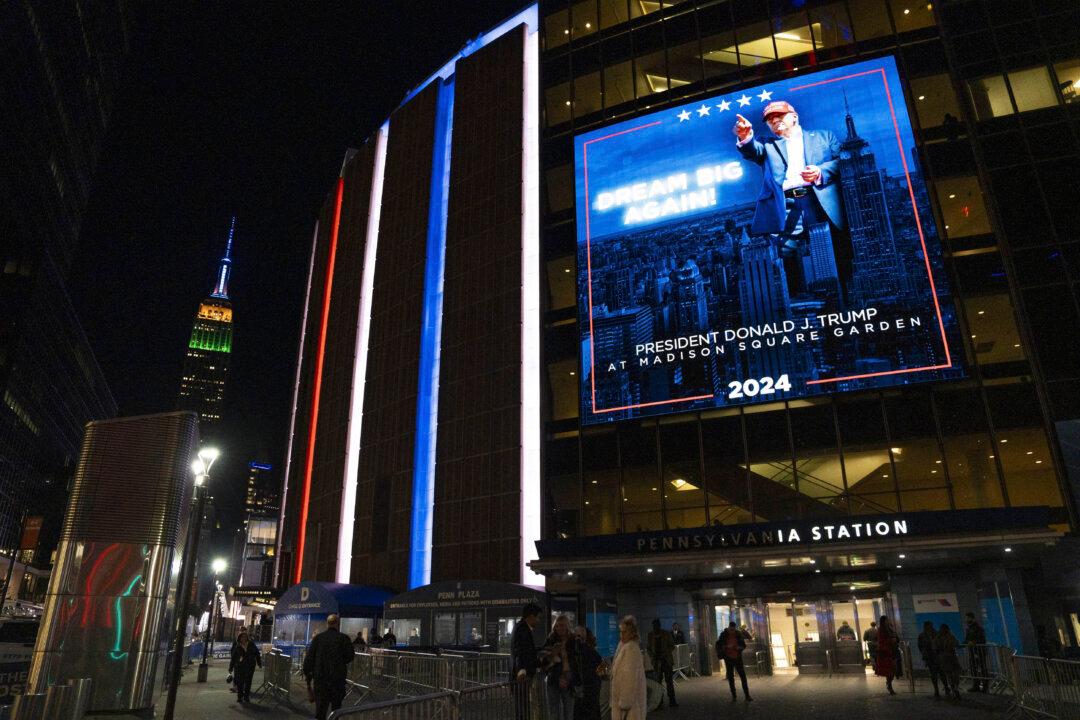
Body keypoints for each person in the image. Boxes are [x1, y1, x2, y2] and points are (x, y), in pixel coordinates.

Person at [732, 100, 851, 294]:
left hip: (820, 202)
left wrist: (821, 171)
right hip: (787, 206)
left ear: (794, 116)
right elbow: (752, 150)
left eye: (779, 115)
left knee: (836, 252)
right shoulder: (767, 145)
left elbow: (844, 161)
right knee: (787, 259)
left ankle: (846, 298)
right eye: (770, 119)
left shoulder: (824, 136)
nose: (775, 120)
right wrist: (745, 137)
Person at [302, 614, 356, 720]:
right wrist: (340, 662)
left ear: (327, 624)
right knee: (336, 711)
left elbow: (308, 661)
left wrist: (308, 682)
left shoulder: (318, 639)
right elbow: (350, 656)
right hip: (337, 680)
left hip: (321, 681)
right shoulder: (344, 638)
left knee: (320, 711)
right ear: (338, 624)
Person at [542, 615, 580, 720]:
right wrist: (551, 655)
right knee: (553, 712)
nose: (560, 628)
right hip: (553, 679)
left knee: (568, 711)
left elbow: (577, 660)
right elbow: (543, 660)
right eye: (557, 626)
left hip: (568, 679)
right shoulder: (551, 639)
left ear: (567, 626)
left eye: (562, 625)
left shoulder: (573, 641)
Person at [610, 616, 647, 720]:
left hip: (629, 707)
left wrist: (625, 703)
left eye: (624, 632)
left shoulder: (630, 649)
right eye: (620, 632)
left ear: (632, 633)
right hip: (625, 704)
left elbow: (629, 678)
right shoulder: (623, 646)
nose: (621, 635)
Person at [512, 603, 542, 720]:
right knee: (522, 710)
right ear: (531, 617)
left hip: (523, 676)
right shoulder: (522, 628)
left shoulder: (523, 627)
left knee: (523, 709)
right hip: (522, 677)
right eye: (538, 617)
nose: (538, 621)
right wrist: (522, 670)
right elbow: (519, 650)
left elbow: (527, 649)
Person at [573, 626, 606, 720]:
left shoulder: (577, 651)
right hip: (593, 690)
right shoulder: (593, 653)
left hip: (582, 691)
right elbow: (602, 669)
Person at [717, 621, 752, 702]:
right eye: (731, 630)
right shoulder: (724, 634)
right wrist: (726, 647)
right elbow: (719, 645)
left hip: (737, 657)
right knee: (731, 678)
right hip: (728, 658)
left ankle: (747, 695)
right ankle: (734, 696)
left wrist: (738, 648)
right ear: (729, 627)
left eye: (733, 630)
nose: (732, 631)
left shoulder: (738, 634)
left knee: (743, 676)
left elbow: (743, 645)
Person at [646, 618, 678, 708]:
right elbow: (648, 648)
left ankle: (672, 700)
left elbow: (672, 646)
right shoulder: (650, 635)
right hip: (656, 662)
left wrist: (665, 653)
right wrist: (652, 657)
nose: (655, 627)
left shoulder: (666, 634)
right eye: (654, 626)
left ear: (659, 625)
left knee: (669, 681)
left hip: (666, 661)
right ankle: (659, 702)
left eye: (656, 625)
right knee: (658, 683)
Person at [229, 631, 261, 704]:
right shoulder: (237, 646)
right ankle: (240, 697)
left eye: (245, 637)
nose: (244, 638)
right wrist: (231, 667)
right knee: (240, 682)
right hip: (240, 667)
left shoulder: (251, 644)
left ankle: (246, 697)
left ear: (247, 638)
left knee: (248, 682)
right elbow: (233, 657)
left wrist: (259, 663)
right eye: (242, 637)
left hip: (250, 666)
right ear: (239, 638)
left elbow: (257, 653)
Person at [875, 616, 899, 695]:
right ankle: (890, 686)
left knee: (893, 669)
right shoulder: (881, 630)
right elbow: (881, 641)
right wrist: (891, 640)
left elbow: (896, 636)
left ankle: (889, 684)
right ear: (884, 621)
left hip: (892, 651)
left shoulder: (890, 628)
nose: (889, 621)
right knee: (889, 670)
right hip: (886, 652)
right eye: (887, 620)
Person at [964, 611, 988, 692]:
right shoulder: (969, 628)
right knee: (973, 669)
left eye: (967, 618)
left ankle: (985, 686)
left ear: (972, 618)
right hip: (972, 652)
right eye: (966, 618)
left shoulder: (978, 628)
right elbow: (967, 639)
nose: (966, 619)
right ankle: (976, 685)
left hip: (979, 652)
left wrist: (973, 642)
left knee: (983, 668)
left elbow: (981, 639)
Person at [917, 621, 942, 698]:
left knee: (940, 672)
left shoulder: (935, 634)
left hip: (936, 656)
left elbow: (920, 646)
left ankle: (944, 688)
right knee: (934, 673)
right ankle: (936, 690)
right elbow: (920, 646)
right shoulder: (923, 635)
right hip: (930, 657)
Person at [937, 624, 962, 700]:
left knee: (949, 675)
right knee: (955, 674)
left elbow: (935, 647)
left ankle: (953, 689)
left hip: (944, 659)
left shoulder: (938, 638)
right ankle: (956, 689)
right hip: (952, 658)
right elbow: (957, 644)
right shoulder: (950, 636)